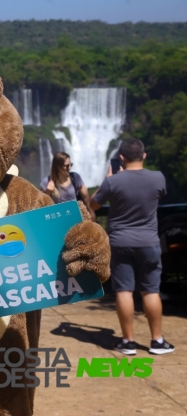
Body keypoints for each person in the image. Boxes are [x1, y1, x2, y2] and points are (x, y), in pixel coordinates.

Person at [90, 138, 175, 355]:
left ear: (121, 158)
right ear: (144, 155)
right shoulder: (158, 178)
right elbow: (160, 194)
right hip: (149, 242)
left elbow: (94, 204)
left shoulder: (113, 182)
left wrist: (109, 180)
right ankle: (157, 341)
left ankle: (127, 342)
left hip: (120, 242)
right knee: (151, 290)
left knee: (124, 290)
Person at [41, 151, 96, 221]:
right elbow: (40, 205)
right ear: (58, 167)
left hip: (75, 218)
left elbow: (87, 199)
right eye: (66, 166)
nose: (69, 168)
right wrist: (48, 192)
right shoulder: (46, 182)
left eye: (71, 165)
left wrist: (92, 216)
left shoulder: (75, 178)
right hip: (58, 220)